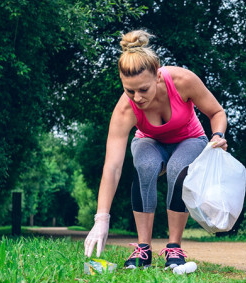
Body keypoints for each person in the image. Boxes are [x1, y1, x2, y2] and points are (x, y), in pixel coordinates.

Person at [84, 30, 227, 270]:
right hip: (149, 141)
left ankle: (174, 247)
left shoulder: (182, 81)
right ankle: (143, 250)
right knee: (146, 166)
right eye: (130, 90)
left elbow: (217, 112)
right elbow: (113, 166)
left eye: (143, 89)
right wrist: (101, 218)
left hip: (190, 138)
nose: (137, 98)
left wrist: (218, 136)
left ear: (158, 76)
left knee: (177, 169)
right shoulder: (125, 109)